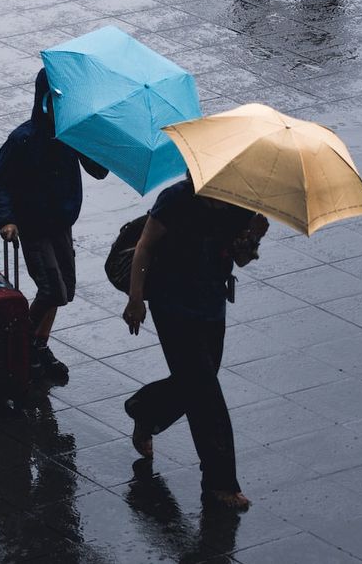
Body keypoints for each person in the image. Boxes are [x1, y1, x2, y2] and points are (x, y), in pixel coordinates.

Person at [120, 176, 268, 511]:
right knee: (206, 394)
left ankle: (145, 409)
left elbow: (241, 258)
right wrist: (136, 297)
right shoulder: (174, 200)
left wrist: (255, 234)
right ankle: (219, 482)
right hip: (173, 307)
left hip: (212, 305)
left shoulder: (237, 203)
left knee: (197, 381)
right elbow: (145, 245)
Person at [0, 69, 108, 380]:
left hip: (61, 224)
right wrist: (7, 218)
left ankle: (37, 345)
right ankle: (19, 343)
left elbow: (99, 170)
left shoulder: (70, 136)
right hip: (34, 227)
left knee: (64, 291)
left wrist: (94, 139)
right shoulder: (24, 139)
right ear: (44, 101)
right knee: (52, 290)